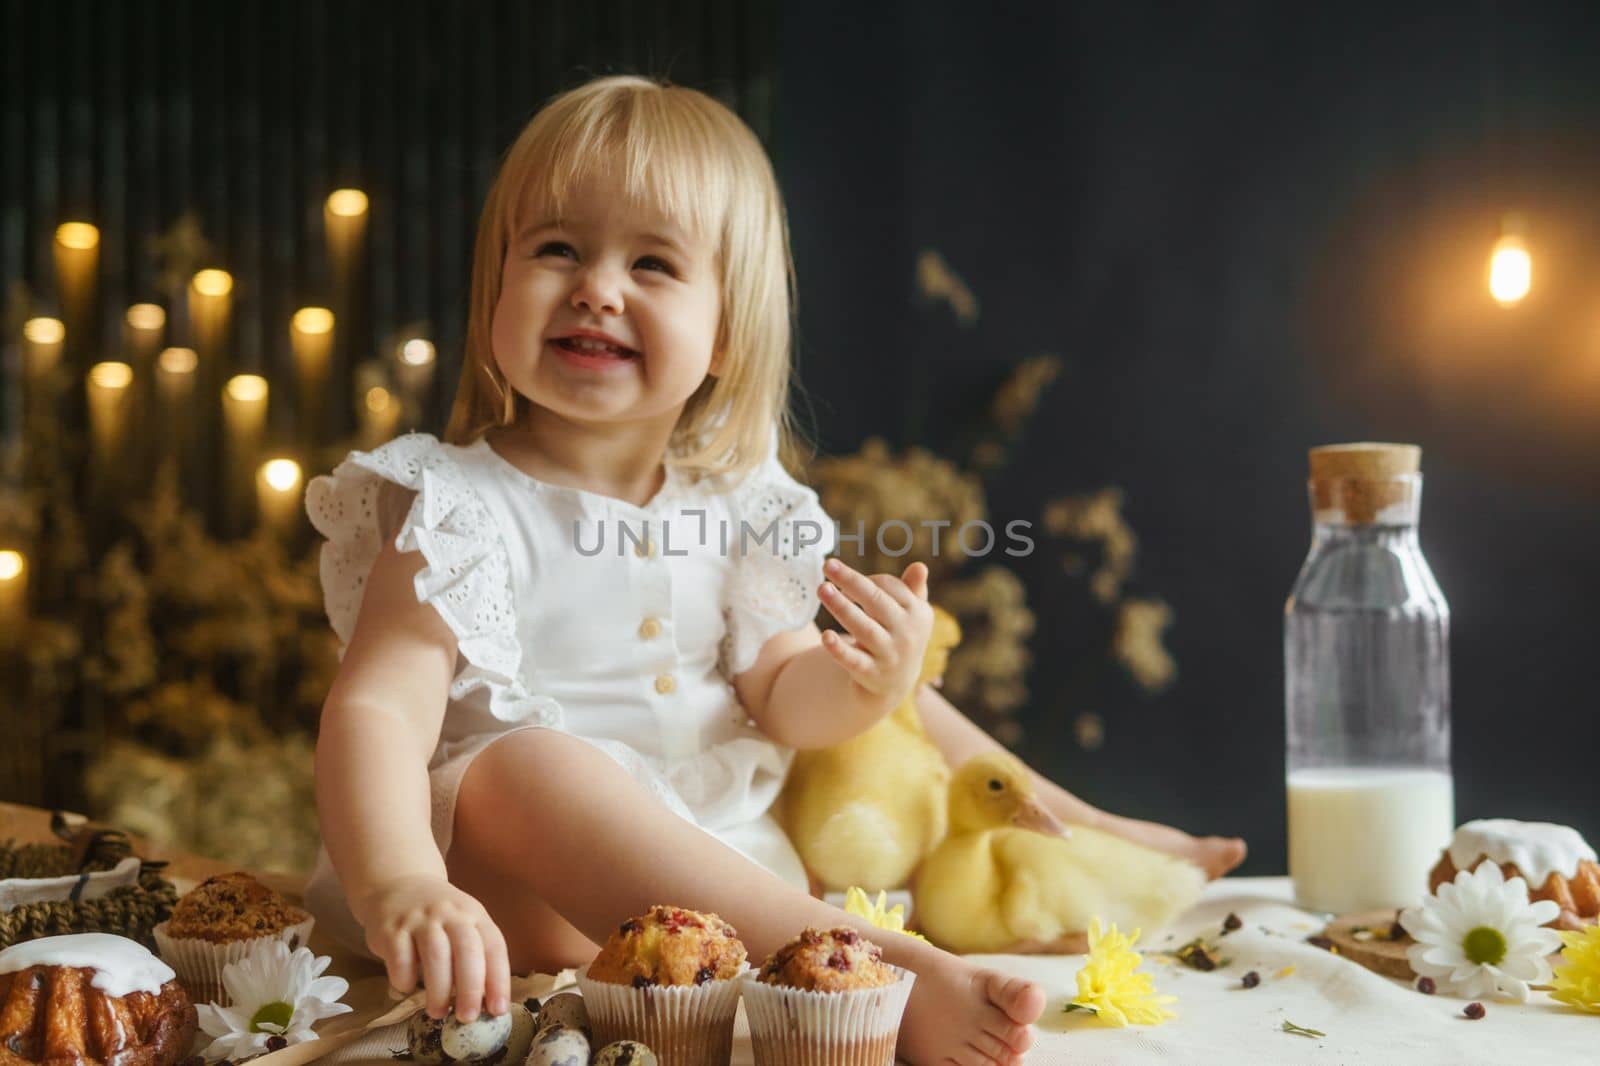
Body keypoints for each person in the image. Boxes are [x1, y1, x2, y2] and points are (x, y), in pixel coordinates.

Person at [306, 74, 1243, 1066]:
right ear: (496, 282)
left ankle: (993, 879)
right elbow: (376, 710)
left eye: (653, 262)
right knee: (521, 766)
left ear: (724, 333)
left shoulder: (742, 507)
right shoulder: (454, 501)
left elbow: (782, 695)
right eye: (555, 249)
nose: (597, 287)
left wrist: (862, 682)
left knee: (879, 728)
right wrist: (401, 882)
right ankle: (877, 963)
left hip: (722, 878)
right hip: (519, 905)